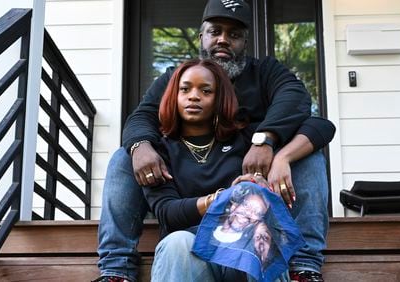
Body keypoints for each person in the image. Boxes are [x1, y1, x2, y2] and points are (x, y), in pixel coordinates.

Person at [96, 0, 335, 281]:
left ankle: (303, 266)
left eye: (233, 34)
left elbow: (307, 112)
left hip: (248, 210)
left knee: (306, 152)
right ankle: (116, 269)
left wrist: (270, 146)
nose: (223, 39)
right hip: (188, 228)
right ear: (201, 36)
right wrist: (141, 146)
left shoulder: (263, 77)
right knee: (126, 156)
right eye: (215, 31)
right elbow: (142, 118)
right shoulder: (175, 82)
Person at [142, 58, 317, 281]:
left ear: (219, 99)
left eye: (206, 91)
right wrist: (225, 198)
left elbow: (320, 126)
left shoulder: (244, 138)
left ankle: (304, 264)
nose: (194, 96)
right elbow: (168, 213)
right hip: (190, 249)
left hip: (243, 245)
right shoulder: (159, 152)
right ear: (173, 96)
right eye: (185, 89)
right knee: (176, 242)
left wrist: (280, 155)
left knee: (260, 238)